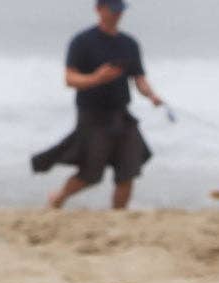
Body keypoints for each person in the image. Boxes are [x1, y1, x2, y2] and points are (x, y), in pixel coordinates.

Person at [31, 0, 165, 209]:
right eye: (113, 10)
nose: (117, 15)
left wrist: (151, 95)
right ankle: (57, 199)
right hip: (92, 116)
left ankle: (118, 215)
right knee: (90, 174)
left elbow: (139, 78)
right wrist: (96, 78)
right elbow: (70, 79)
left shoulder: (129, 43)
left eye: (120, 10)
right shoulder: (82, 42)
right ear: (99, 10)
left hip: (121, 115)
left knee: (128, 171)